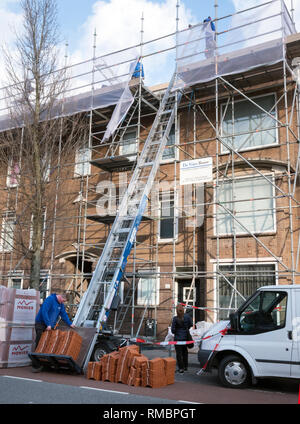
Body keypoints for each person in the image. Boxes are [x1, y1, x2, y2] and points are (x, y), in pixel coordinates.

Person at [31, 292, 75, 372]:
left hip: (50, 326)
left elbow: (63, 314)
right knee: (39, 343)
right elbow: (44, 312)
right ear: (61, 296)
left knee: (48, 344)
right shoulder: (50, 300)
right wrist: (48, 324)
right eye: (63, 300)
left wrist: (70, 323)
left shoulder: (60, 304)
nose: (63, 302)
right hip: (41, 323)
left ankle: (44, 363)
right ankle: (35, 365)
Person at [171, 304, 193, 373]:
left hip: (178, 339)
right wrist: (186, 329)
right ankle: (186, 367)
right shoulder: (187, 316)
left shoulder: (175, 318)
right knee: (185, 353)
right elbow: (191, 324)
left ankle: (181, 368)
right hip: (185, 338)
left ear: (176, 311)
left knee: (179, 354)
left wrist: (177, 331)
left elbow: (172, 330)